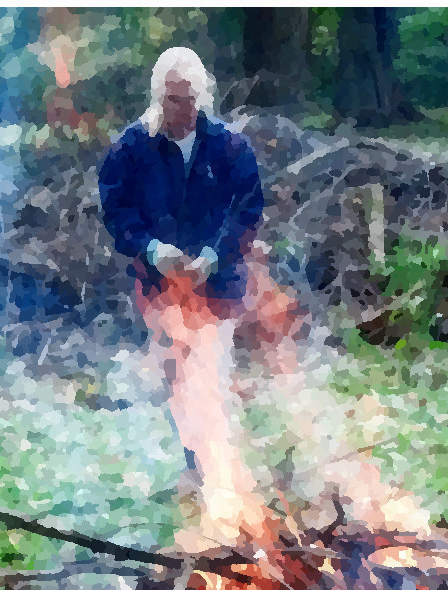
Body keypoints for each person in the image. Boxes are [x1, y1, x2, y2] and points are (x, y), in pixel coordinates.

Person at [98, 48, 301, 554]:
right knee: (176, 375)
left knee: (211, 372)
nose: (179, 110)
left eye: (187, 100)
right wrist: (150, 248)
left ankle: (221, 479)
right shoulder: (131, 148)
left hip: (218, 285)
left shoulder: (229, 147)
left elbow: (249, 207)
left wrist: (215, 254)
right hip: (159, 286)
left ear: (202, 97)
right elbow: (115, 208)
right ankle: (197, 466)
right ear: (156, 95)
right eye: (170, 99)